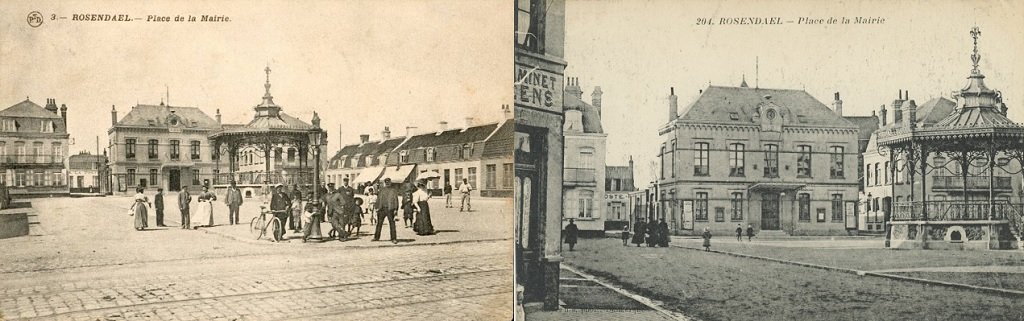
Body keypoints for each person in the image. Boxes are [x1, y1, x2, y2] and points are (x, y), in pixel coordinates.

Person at [374, 178, 400, 244]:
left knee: (392, 224)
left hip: (390, 209)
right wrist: (376, 207)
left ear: (390, 182)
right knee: (379, 224)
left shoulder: (393, 190)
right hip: (381, 209)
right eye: (386, 182)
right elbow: (378, 199)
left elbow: (396, 200)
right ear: (385, 183)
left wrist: (396, 209)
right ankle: (376, 237)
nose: (387, 183)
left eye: (388, 182)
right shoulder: (382, 190)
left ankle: (393, 238)